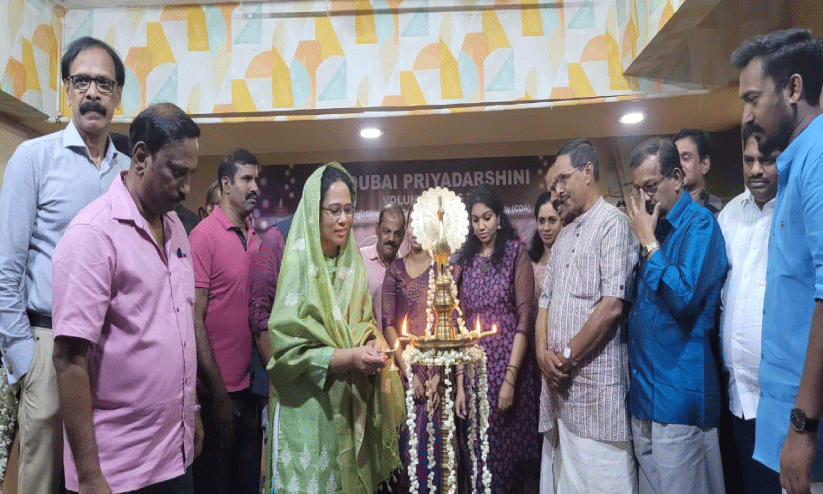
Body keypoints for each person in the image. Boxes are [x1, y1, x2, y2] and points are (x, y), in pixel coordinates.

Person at [0, 36, 129, 493]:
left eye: (104, 83)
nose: (93, 92)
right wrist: (24, 359)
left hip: (112, 348)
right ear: (67, 90)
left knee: (99, 477)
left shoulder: (128, 173)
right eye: (82, 81)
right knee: (43, 481)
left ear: (117, 95)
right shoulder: (33, 159)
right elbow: (6, 268)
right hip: (48, 341)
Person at [51, 102, 201, 493]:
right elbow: (69, 361)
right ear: (141, 157)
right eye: (176, 172)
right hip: (117, 470)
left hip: (174, 455)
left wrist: (192, 413)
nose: (186, 188)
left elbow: (180, 332)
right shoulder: (92, 235)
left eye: (191, 174)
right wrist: (89, 476)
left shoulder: (176, 228)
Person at [266, 163, 404, 494]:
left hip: (346, 403)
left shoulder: (352, 264)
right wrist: (351, 356)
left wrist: (371, 344)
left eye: (348, 210)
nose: (343, 219)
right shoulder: (299, 265)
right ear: (315, 212)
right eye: (334, 210)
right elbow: (288, 349)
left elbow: (363, 322)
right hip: (306, 408)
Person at [732, 29, 823, 494]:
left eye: (753, 98)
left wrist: (803, 426)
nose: (746, 115)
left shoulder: (819, 156)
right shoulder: (796, 162)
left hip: (809, 424)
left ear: (793, 89)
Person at [536, 138, 639, 493]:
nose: (557, 192)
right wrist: (541, 353)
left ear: (588, 172)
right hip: (560, 395)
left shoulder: (613, 224)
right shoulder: (564, 235)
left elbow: (612, 305)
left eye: (562, 180)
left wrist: (565, 357)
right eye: (553, 186)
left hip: (597, 395)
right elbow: (545, 301)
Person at [626, 137, 728, 494]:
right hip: (643, 395)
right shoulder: (653, 228)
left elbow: (683, 297)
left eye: (651, 186)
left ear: (676, 178)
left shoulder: (700, 225)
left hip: (679, 396)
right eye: (637, 189)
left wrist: (650, 245)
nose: (644, 198)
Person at [454, 183, 539, 494]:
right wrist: (460, 384)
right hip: (475, 376)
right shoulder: (464, 262)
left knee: (511, 465)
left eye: (487, 217)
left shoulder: (516, 254)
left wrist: (510, 379)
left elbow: (525, 319)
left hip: (509, 372)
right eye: (475, 219)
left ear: (499, 218)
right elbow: (459, 324)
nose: (481, 226)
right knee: (481, 462)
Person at [189, 149, 262, 494]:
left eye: (257, 179)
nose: (255, 187)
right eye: (246, 179)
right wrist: (217, 395)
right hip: (215, 397)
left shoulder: (256, 240)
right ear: (226, 185)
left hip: (251, 395)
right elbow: (194, 320)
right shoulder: (203, 236)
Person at [716, 125, 780, 494]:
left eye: (766, 160)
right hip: (739, 400)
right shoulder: (728, 216)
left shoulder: (797, 210)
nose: (756, 169)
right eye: (748, 159)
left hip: (786, 403)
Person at [382, 203, 441, 493]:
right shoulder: (395, 270)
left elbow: (449, 325)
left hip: (437, 373)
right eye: (412, 225)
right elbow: (388, 323)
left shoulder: (442, 269)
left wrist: (438, 375)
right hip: (404, 373)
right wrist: (408, 370)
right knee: (407, 451)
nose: (416, 232)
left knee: (437, 451)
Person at [527, 192, 562, 494]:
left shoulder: (571, 257)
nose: (546, 227)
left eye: (552, 220)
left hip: (564, 351)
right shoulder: (529, 261)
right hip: (533, 353)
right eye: (541, 221)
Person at [361, 203, 406, 332]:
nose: (391, 238)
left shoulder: (405, 268)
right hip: (365, 342)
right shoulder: (360, 260)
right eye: (386, 231)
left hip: (397, 343)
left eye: (397, 233)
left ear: (403, 236)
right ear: (377, 229)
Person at [673, 129, 724, 214]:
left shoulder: (721, 211)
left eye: (685, 158)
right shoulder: (664, 210)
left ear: (704, 164)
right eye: (676, 159)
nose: (679, 164)